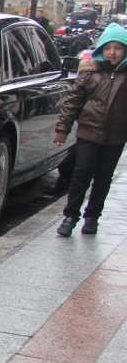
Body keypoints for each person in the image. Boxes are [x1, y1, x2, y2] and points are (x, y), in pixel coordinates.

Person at [53, 22, 127, 237]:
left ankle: (92, 217)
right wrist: (62, 130)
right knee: (81, 174)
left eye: (118, 48)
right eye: (107, 47)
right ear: (101, 49)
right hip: (88, 132)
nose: (112, 53)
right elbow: (73, 102)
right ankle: (70, 216)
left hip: (115, 137)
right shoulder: (90, 72)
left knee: (103, 178)